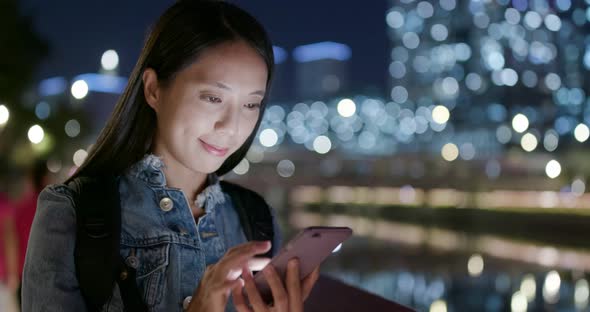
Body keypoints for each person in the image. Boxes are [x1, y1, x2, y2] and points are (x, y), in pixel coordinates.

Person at [22, 1, 319, 311]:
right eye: (213, 97)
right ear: (153, 89)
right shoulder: (73, 213)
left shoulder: (256, 220)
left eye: (250, 105)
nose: (231, 127)